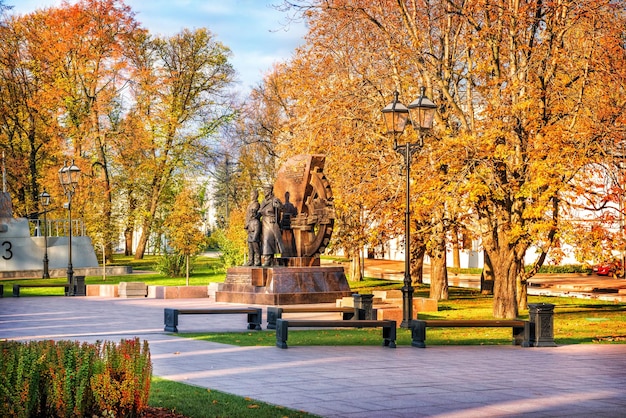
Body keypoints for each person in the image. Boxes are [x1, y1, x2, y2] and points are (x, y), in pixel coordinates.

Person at [259, 185, 284, 266]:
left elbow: (282, 208)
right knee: (265, 240)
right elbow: (260, 212)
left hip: (271, 221)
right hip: (264, 221)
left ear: (270, 191)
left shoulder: (274, 200)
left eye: (266, 190)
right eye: (264, 190)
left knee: (268, 239)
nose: (264, 191)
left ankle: (268, 259)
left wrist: (278, 205)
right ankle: (268, 258)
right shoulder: (263, 201)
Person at [243, 189, 261, 266]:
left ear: (256, 195)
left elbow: (252, 214)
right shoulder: (249, 204)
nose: (251, 196)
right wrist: (246, 224)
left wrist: (252, 215)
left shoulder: (256, 204)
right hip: (249, 226)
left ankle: (257, 260)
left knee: (255, 246)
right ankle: (250, 260)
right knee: (250, 246)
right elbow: (247, 216)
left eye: (252, 194)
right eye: (250, 194)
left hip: (254, 226)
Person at [280, 191, 298, 257]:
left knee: (290, 240)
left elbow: (294, 213)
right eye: (286, 196)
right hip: (286, 224)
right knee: (286, 240)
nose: (287, 197)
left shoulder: (288, 205)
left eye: (287, 196)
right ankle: (286, 253)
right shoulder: (285, 205)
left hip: (289, 225)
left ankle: (290, 253)